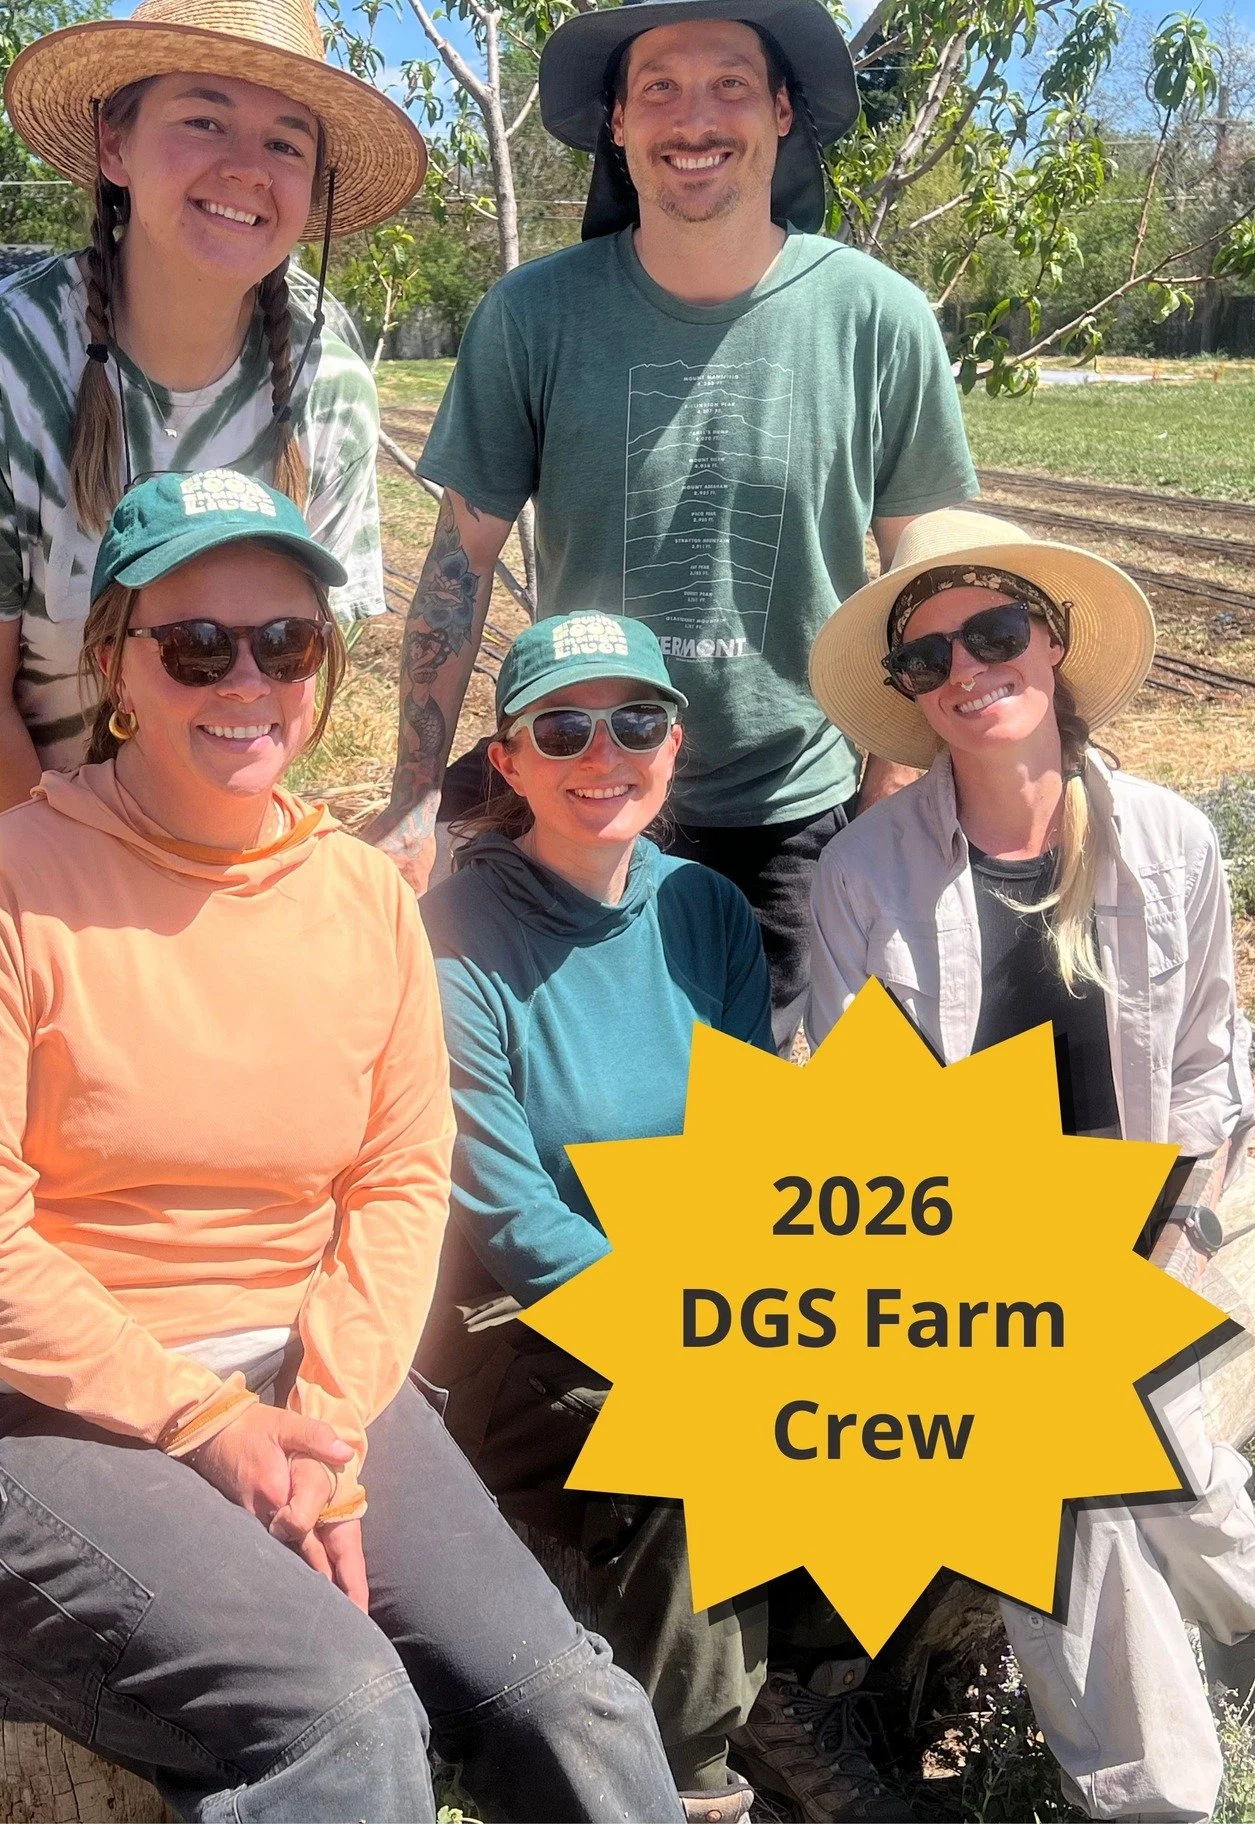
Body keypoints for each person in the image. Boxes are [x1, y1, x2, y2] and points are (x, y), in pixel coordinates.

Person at [0, 476, 683, 1824]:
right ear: (114, 662)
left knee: (565, 1700)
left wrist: (330, 1427)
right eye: (196, 645)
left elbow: (398, 1181)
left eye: (285, 642)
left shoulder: (357, 896)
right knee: (339, 1715)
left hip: (293, 1382)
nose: (248, 678)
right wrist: (209, 1421)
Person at [803, 507, 1255, 1823]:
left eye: (993, 631)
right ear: (910, 698)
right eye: (927, 659)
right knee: (1071, 1474)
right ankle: (1165, 1792)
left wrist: (1181, 1233)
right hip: (954, 1253)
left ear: (1051, 644)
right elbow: (843, 1114)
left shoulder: (1167, 844)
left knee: (1170, 1459)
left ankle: (1245, 1680)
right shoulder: (864, 874)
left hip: (1143, 1225)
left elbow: (1212, 1078)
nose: (966, 669)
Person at [0, 0, 426, 991]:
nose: (245, 166)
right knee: (35, 1078)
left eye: (284, 139)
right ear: (116, 144)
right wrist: (75, 930)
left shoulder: (324, 371)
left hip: (132, 787)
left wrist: (205, 856)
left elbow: (286, 672)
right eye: (204, 120)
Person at [368, 0, 979, 1044]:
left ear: (784, 110)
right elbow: (460, 561)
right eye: (658, 85)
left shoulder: (877, 317)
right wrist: (418, 792)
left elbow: (923, 569)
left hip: (795, 812)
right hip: (578, 787)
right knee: (565, 1107)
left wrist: (884, 803)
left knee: (770, 1119)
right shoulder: (533, 316)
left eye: (732, 83)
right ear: (614, 122)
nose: (694, 117)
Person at [418, 608, 913, 1824]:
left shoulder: (703, 909)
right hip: (512, 1323)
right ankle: (684, 1781)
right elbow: (509, 1212)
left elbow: (749, 1142)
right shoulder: (456, 941)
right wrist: (687, 1333)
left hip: (692, 1282)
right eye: (565, 727)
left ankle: (804, 1685)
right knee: (708, 1447)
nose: (605, 752)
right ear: (512, 760)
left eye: (635, 720)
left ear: (675, 743)